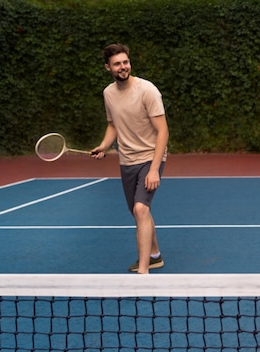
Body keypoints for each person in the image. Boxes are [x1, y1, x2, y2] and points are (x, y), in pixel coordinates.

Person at [91, 43, 170, 274]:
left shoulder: (147, 90)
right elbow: (112, 125)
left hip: (150, 157)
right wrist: (104, 146)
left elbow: (163, 131)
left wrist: (155, 169)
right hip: (127, 161)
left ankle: (143, 269)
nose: (123, 66)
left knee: (141, 209)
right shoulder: (108, 93)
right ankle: (155, 256)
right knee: (138, 211)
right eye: (117, 64)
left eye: (125, 62)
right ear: (108, 67)